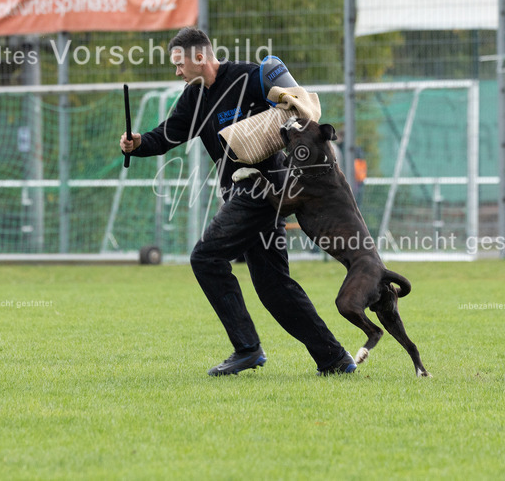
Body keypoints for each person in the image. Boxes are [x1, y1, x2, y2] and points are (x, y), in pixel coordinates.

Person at [120, 27, 355, 376]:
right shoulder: (193, 98)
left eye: (179, 63)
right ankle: (334, 359)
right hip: (243, 193)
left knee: (206, 257)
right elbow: (167, 135)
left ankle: (247, 349)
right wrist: (138, 143)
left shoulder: (249, 77)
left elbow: (298, 110)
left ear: (200, 57)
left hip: (263, 188)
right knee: (274, 287)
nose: (177, 71)